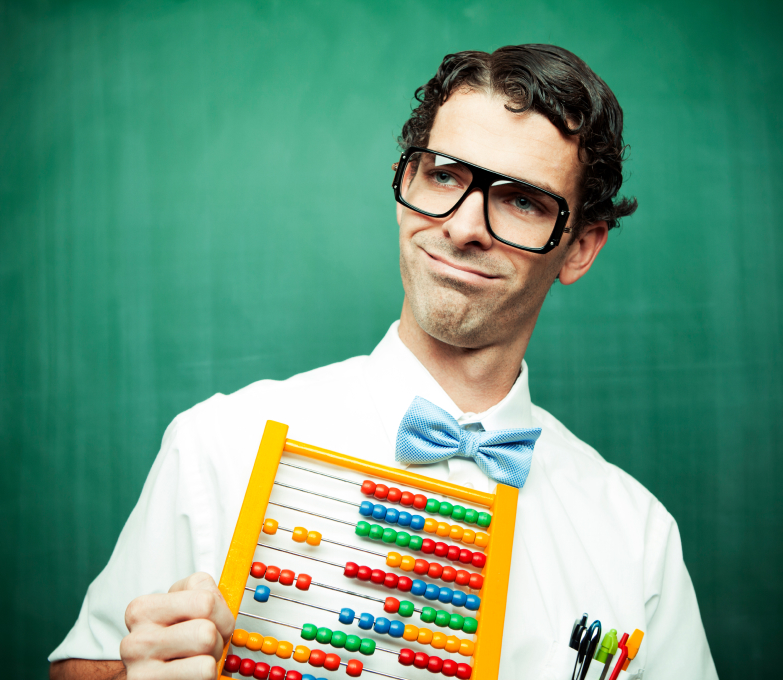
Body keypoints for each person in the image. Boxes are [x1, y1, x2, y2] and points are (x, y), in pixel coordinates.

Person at [49, 44, 718, 680]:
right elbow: (86, 664)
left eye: (521, 200)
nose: (462, 227)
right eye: (444, 175)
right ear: (406, 183)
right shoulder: (217, 447)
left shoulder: (637, 537)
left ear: (579, 248)